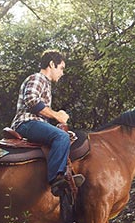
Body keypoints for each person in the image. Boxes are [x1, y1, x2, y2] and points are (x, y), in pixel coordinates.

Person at [10, 50, 84, 198]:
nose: (62, 73)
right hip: (26, 122)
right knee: (61, 137)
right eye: (61, 68)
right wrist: (57, 115)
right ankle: (56, 179)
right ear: (51, 64)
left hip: (33, 123)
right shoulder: (38, 78)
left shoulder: (45, 83)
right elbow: (31, 100)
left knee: (66, 136)